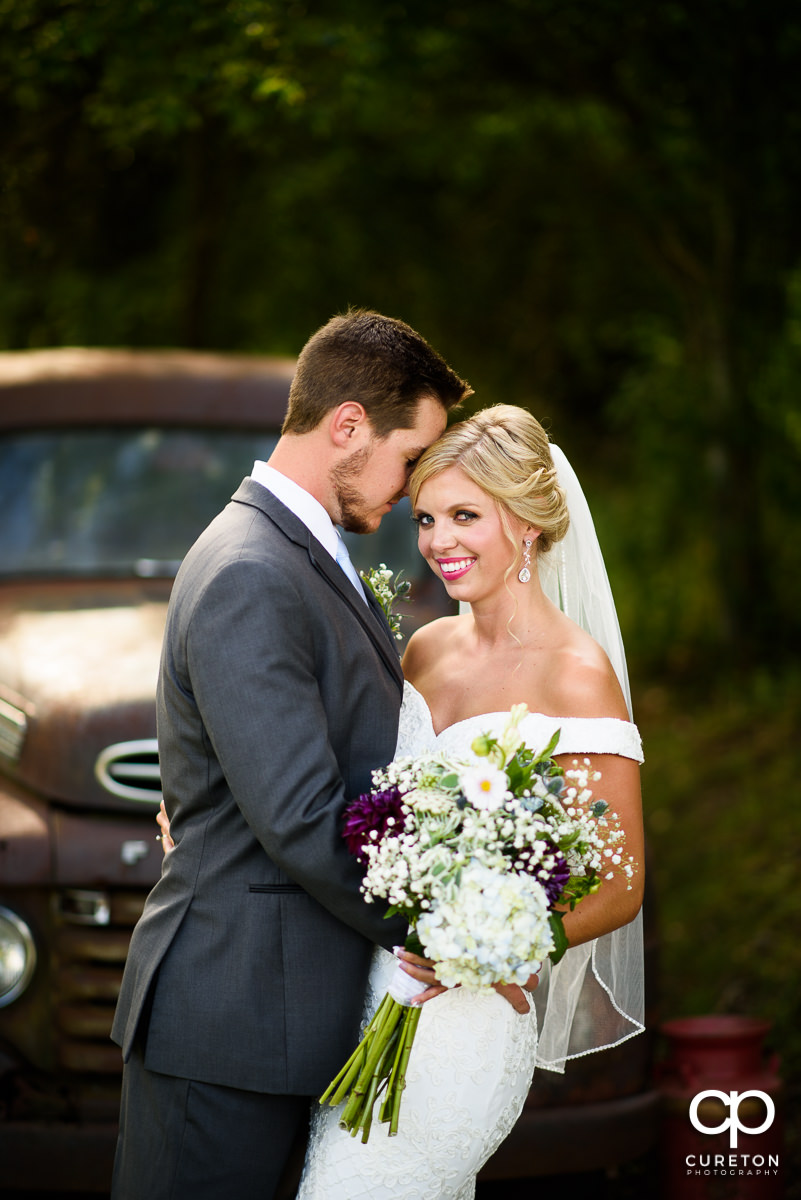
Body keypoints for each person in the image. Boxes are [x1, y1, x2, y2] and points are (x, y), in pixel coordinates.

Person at [109, 310, 472, 1200]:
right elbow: (301, 816)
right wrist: (441, 932)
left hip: (274, 1019)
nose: (406, 489)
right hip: (226, 1024)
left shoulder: (297, 554)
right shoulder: (250, 569)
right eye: (407, 456)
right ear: (347, 425)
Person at [295, 404, 646, 1200]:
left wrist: (499, 948)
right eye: (424, 518)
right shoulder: (426, 649)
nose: (437, 541)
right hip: (377, 994)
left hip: (475, 1015)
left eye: (463, 516)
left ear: (525, 524)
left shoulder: (576, 673)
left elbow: (619, 884)